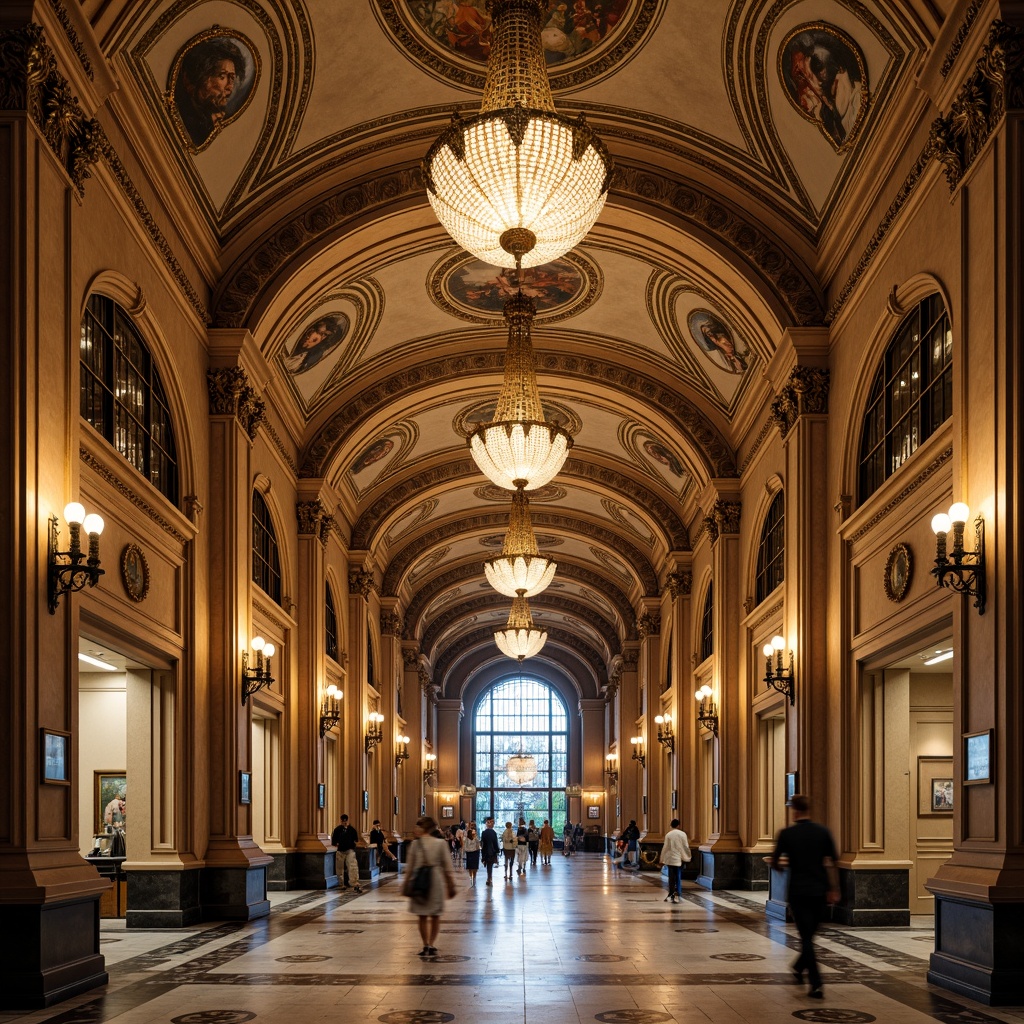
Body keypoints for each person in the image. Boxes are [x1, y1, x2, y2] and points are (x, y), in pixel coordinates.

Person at [770, 794, 840, 999]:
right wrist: (835, 889)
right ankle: (809, 976)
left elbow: (775, 861)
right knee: (809, 936)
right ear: (808, 810)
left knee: (806, 938)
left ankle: (810, 977)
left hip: (798, 893)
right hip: (820, 892)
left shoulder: (786, 834)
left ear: (795, 811)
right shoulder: (823, 832)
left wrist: (786, 867)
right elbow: (833, 861)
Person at [174, 38, 246, 147]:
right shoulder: (180, 112)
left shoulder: (208, 123)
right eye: (222, 76)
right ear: (201, 76)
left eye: (232, 79)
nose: (230, 87)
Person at [404, 815, 456, 956]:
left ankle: (425, 943)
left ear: (423, 827)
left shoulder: (415, 844)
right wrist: (451, 884)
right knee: (435, 915)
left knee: (422, 915)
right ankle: (431, 943)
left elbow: (410, 867)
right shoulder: (440, 844)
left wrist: (406, 883)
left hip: (419, 880)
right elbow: (447, 866)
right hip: (435, 881)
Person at [658, 818, 691, 903]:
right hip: (679, 858)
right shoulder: (683, 834)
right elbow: (685, 846)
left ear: (671, 825)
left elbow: (665, 848)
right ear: (678, 825)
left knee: (671, 877)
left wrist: (662, 859)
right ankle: (678, 893)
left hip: (670, 859)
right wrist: (688, 857)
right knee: (678, 876)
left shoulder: (668, 835)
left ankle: (671, 893)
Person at [330, 813, 362, 893]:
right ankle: (341, 883)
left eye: (346, 821)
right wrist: (337, 844)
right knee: (339, 868)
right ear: (341, 821)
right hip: (340, 851)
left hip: (350, 850)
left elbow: (356, 840)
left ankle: (354, 882)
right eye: (343, 821)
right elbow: (334, 841)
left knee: (352, 866)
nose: (344, 822)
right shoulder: (337, 830)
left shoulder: (352, 830)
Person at [480, 817, 500, 886]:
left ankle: (489, 877)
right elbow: (495, 843)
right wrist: (497, 850)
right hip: (491, 851)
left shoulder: (484, 833)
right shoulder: (493, 832)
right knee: (490, 865)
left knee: (488, 865)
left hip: (485, 851)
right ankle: (489, 877)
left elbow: (482, 843)